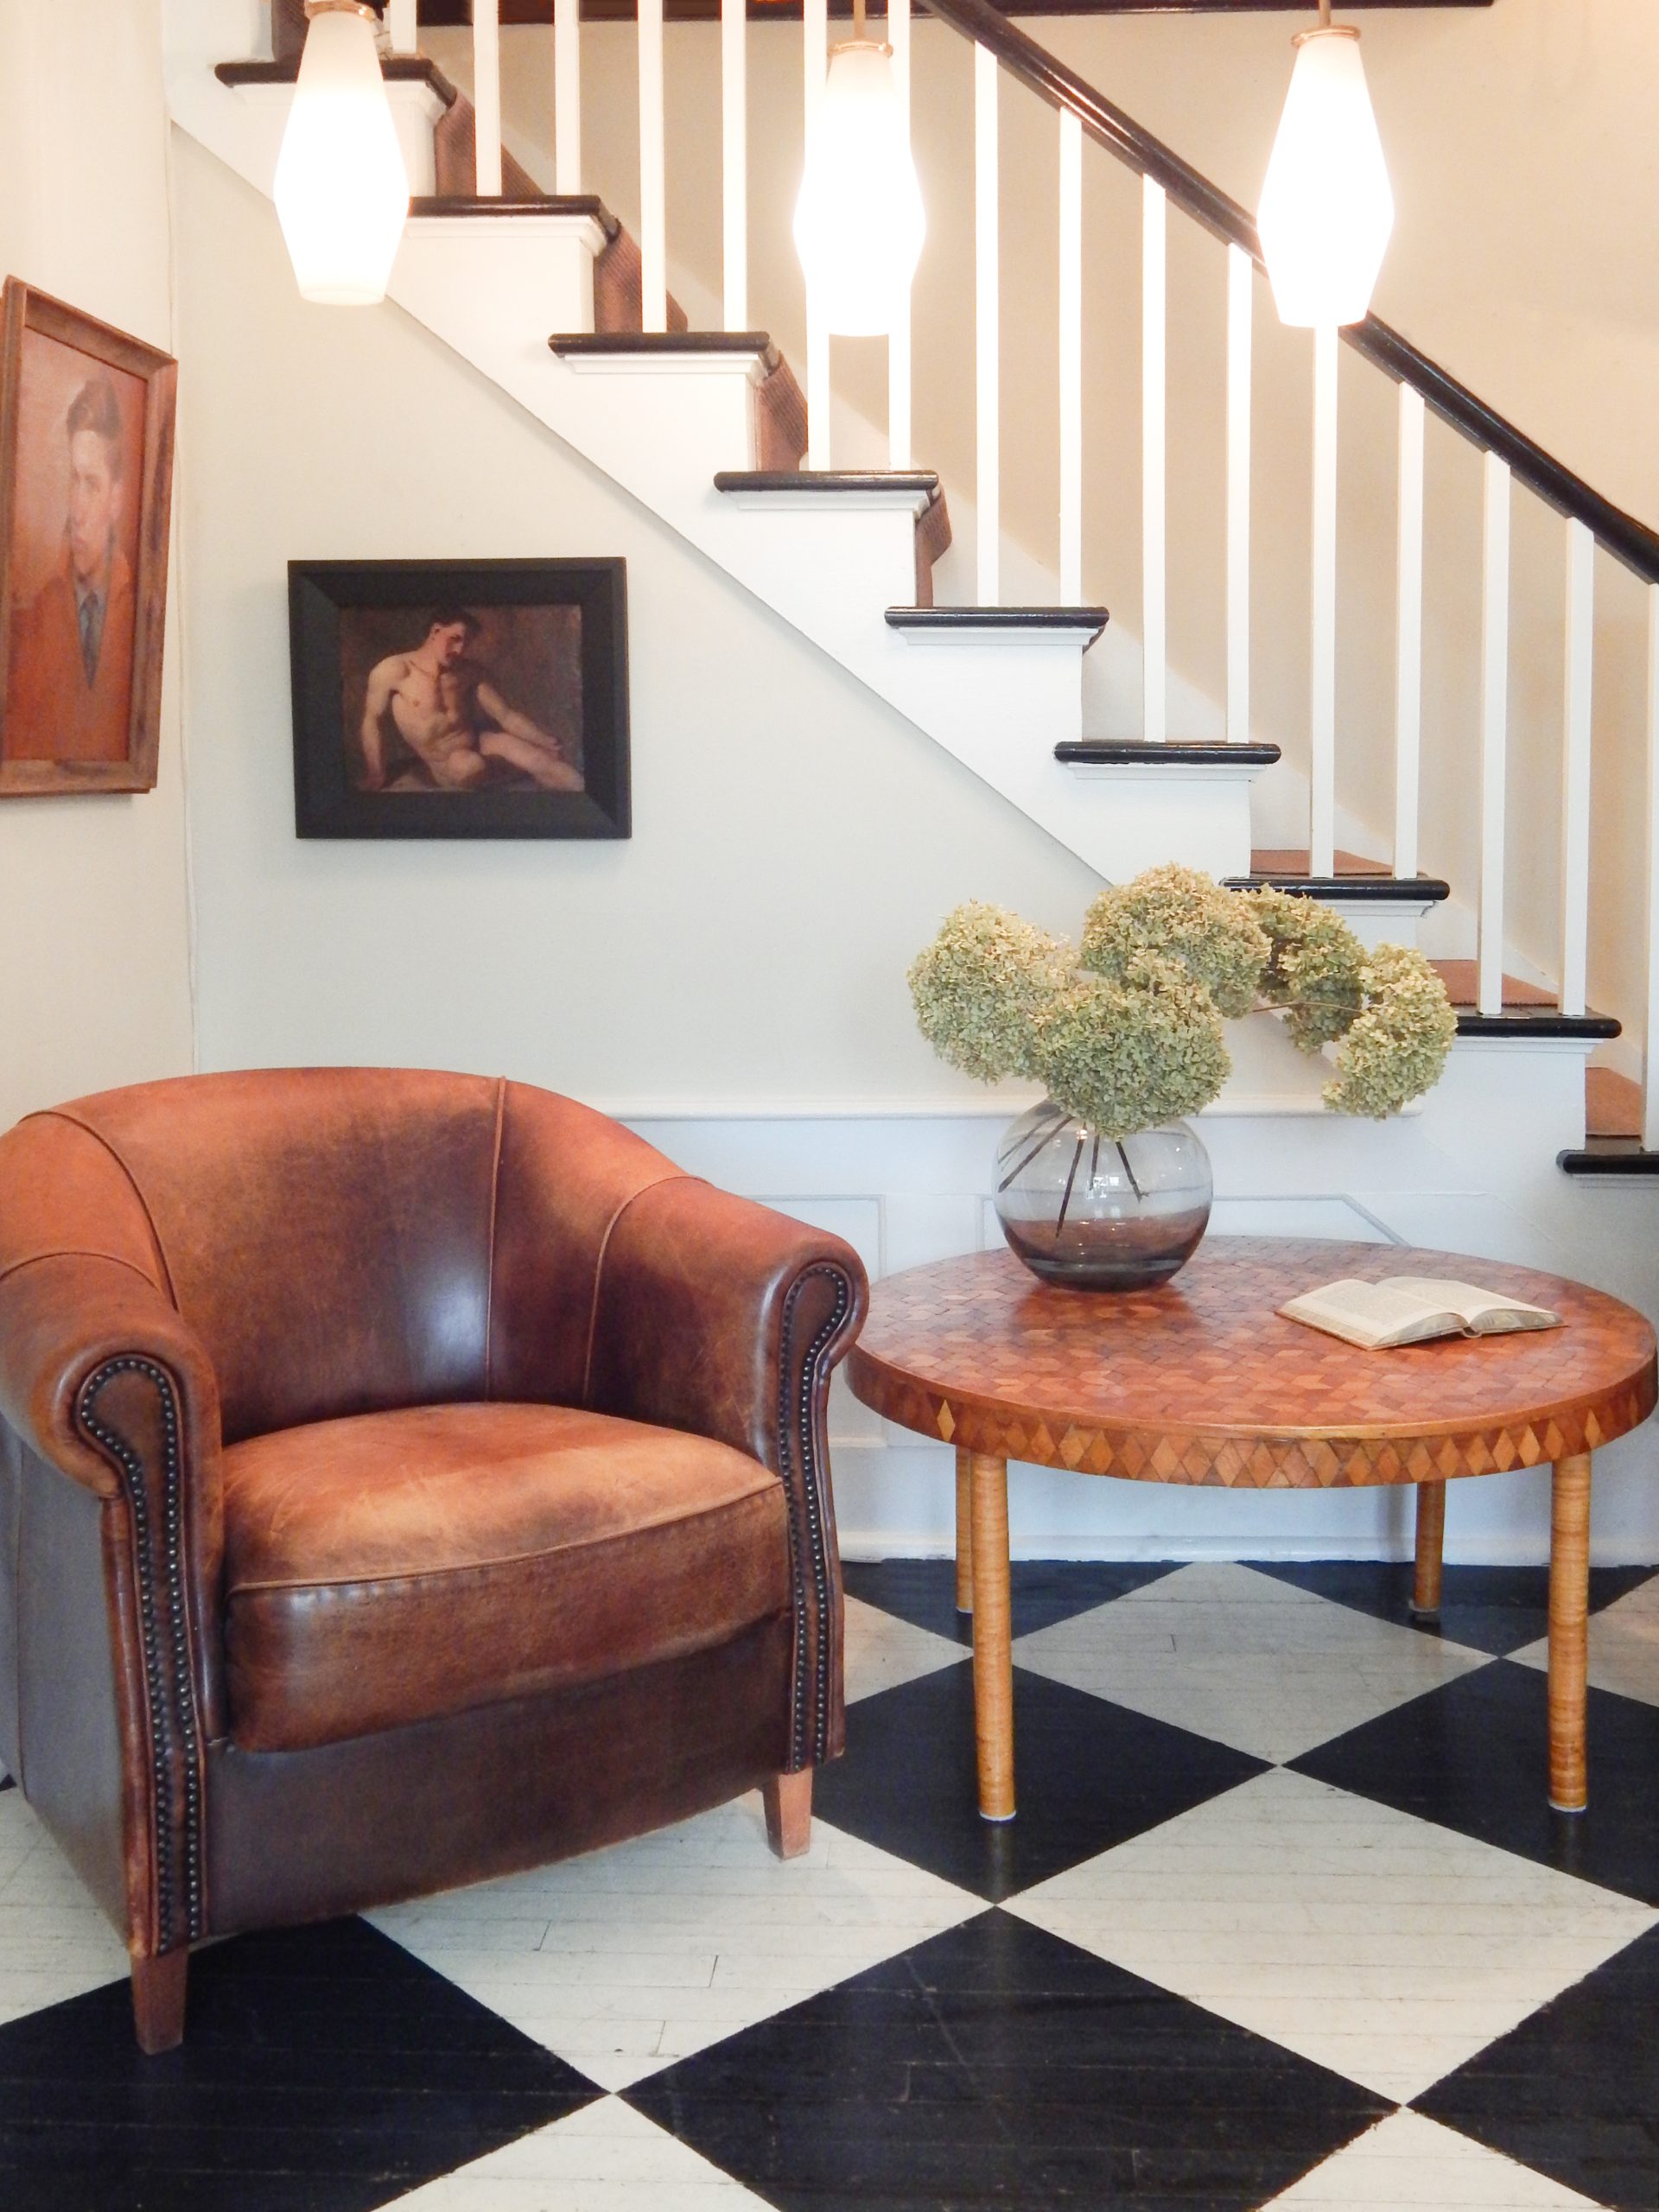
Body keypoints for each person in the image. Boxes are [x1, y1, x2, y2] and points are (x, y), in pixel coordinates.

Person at [3, 376, 137, 764]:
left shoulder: (141, 612)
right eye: (73, 481)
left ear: (116, 498)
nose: (76, 510)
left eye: (92, 486)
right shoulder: (36, 615)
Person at [358, 608, 583, 793]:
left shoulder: (469, 672)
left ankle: (588, 803)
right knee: (469, 765)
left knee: (544, 760)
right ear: (435, 631)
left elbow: (505, 714)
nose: (459, 649)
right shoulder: (394, 670)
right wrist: (375, 772)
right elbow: (372, 720)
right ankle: (510, 771)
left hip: (479, 742)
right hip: (446, 762)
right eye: (454, 639)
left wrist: (545, 741)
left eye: (466, 643)